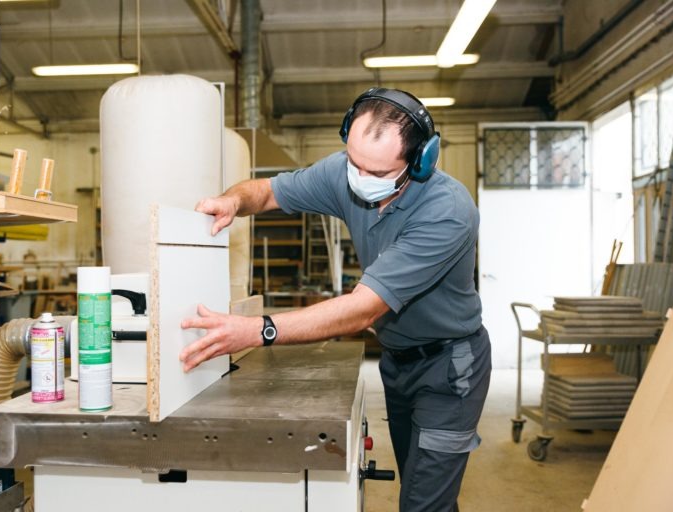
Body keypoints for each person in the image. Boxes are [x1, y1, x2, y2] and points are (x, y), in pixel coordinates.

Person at [180, 87, 491, 512]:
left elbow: (364, 308)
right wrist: (233, 200)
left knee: (423, 505)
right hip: (399, 361)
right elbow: (268, 191)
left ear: (419, 163)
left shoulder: (447, 211)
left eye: (377, 172)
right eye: (354, 161)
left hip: (450, 369)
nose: (359, 178)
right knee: (421, 491)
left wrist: (258, 330)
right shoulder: (346, 173)